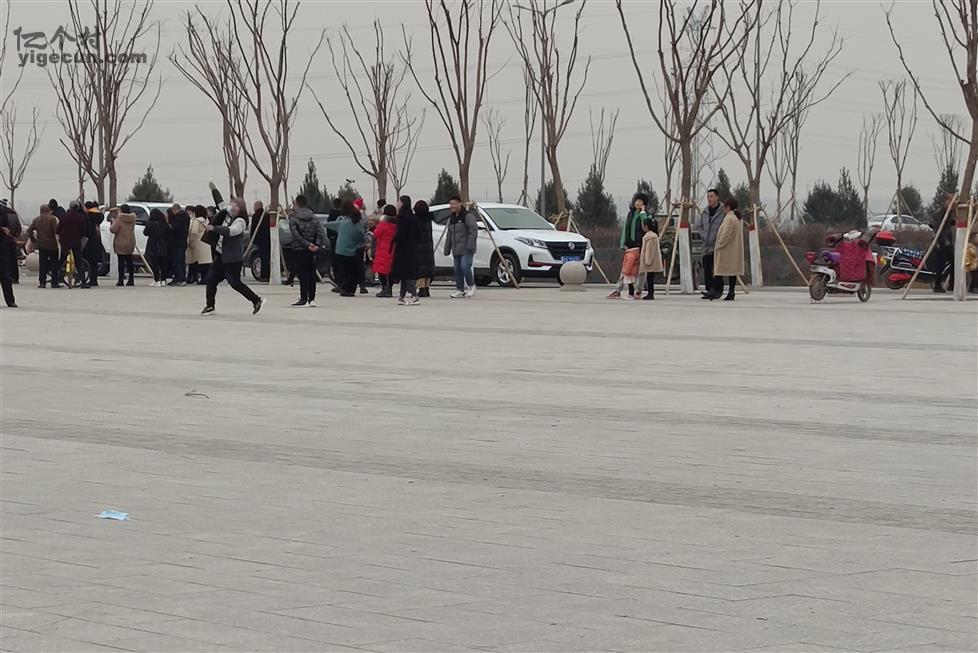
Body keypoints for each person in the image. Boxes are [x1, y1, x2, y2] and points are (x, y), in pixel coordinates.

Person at [201, 197, 265, 316]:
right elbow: (220, 204)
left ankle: (256, 300)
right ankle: (210, 305)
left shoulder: (241, 221)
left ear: (239, 208)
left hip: (232, 259)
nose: (230, 207)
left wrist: (214, 228)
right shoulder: (228, 216)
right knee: (211, 280)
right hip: (220, 257)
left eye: (233, 205)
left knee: (235, 283)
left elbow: (231, 231)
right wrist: (213, 190)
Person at [288, 194, 328, 307]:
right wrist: (316, 245)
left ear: (297, 204)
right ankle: (312, 298)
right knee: (311, 273)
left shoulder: (294, 218)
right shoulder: (314, 217)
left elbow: (296, 235)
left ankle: (303, 297)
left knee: (302, 274)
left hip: (299, 249)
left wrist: (306, 244)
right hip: (312, 250)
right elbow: (321, 233)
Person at [608, 194, 649, 299]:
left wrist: (643, 213)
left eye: (640, 201)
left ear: (644, 204)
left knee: (641, 271)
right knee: (626, 268)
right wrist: (623, 243)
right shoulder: (631, 214)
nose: (638, 203)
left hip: (642, 246)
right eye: (637, 201)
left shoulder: (647, 215)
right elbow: (625, 229)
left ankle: (638, 291)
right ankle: (618, 290)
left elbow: (646, 226)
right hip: (631, 246)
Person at [328, 199, 368, 297]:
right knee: (355, 270)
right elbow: (362, 238)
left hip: (340, 250)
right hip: (353, 251)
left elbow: (330, 225)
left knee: (343, 270)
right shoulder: (358, 227)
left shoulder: (342, 221)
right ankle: (352, 288)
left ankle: (342, 287)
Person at [709, 198, 745, 301]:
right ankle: (731, 292)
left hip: (726, 249)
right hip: (734, 249)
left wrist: (719, 244)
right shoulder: (738, 218)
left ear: (728, 207)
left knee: (719, 270)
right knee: (732, 272)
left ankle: (715, 290)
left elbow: (726, 234)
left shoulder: (729, 218)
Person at [443, 195, 478, 298]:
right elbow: (449, 234)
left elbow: (473, 230)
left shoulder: (467, 216)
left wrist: (470, 245)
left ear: (459, 204)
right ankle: (459, 289)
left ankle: (471, 286)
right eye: (450, 204)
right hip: (456, 249)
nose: (452, 206)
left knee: (465, 267)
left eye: (454, 204)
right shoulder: (452, 218)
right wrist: (447, 248)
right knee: (457, 269)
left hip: (466, 248)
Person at [696, 188, 724, 298]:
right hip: (706, 246)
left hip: (717, 245)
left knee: (718, 269)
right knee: (706, 268)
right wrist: (703, 235)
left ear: (717, 197)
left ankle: (718, 290)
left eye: (711, 196)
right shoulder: (705, 212)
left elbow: (724, 226)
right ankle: (709, 290)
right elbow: (699, 225)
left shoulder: (722, 212)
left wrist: (718, 236)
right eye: (708, 197)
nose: (709, 199)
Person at [393, 195, 420, 305]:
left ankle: (414, 296)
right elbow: (418, 234)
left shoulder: (401, 218)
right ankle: (401, 296)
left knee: (407, 274)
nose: (397, 204)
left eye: (399, 202)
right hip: (412, 248)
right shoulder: (413, 217)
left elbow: (400, 235)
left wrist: (395, 238)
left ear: (403, 203)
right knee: (404, 274)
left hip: (403, 249)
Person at [57, 200, 88, 288]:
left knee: (62, 260)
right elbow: (83, 232)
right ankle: (83, 282)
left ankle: (57, 278)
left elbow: (57, 229)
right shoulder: (81, 217)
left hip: (65, 242)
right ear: (77, 207)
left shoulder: (64, 216)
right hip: (76, 242)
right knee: (79, 261)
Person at [29, 204, 61, 288]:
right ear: (49, 210)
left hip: (42, 245)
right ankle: (54, 282)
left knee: (42, 264)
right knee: (54, 264)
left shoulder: (36, 220)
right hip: (53, 245)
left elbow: (29, 230)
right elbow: (56, 231)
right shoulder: (52, 219)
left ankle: (42, 282)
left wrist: (34, 241)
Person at [929, 192, 955, 293]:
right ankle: (937, 285)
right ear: (945, 201)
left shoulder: (949, 213)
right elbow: (938, 228)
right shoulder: (940, 213)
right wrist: (943, 240)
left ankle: (951, 284)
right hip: (940, 242)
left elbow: (949, 223)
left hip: (947, 241)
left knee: (953, 262)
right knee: (940, 263)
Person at [372, 205, 397, 297]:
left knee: (382, 271)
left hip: (383, 249)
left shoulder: (383, 224)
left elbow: (375, 234)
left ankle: (385, 289)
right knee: (390, 271)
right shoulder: (396, 225)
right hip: (393, 249)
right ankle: (389, 288)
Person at [635, 217, 663, 300]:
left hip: (650, 261)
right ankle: (650, 293)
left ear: (646, 226)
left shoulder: (649, 237)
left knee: (650, 278)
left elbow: (649, 250)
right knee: (650, 277)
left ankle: (650, 293)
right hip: (652, 260)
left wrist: (647, 261)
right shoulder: (653, 235)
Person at [108, 204, 136, 286]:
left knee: (121, 262)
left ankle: (121, 280)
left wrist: (113, 222)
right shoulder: (133, 217)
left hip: (121, 241)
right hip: (130, 240)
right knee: (129, 261)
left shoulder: (120, 218)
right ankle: (131, 279)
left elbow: (113, 229)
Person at [143, 208, 171, 287]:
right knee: (163, 264)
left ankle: (157, 280)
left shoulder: (150, 224)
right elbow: (169, 234)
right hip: (163, 246)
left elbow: (145, 233)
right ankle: (164, 280)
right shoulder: (165, 224)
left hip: (153, 246)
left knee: (155, 264)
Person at [414, 200, 436, 297]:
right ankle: (426, 288)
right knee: (427, 269)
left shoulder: (417, 219)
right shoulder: (428, 219)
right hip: (428, 246)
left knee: (420, 270)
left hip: (419, 247)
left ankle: (422, 289)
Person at [186, 205, 212, 285]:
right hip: (206, 243)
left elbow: (193, 232)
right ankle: (205, 278)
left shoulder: (196, 221)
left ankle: (193, 278)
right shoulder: (206, 221)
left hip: (197, 244)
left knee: (194, 262)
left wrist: (190, 242)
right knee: (205, 264)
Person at [81, 201, 104, 286]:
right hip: (97, 241)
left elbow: (86, 230)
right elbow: (101, 215)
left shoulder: (88, 217)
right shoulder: (98, 216)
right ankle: (94, 279)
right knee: (94, 262)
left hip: (89, 241)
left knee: (90, 262)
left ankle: (92, 280)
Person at [167, 203, 190, 285]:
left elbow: (175, 229)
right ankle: (182, 278)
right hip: (183, 241)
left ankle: (179, 278)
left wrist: (170, 226)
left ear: (174, 210)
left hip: (177, 242)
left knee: (176, 262)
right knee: (181, 261)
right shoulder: (186, 216)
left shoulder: (179, 217)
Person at [0, 200, 22, 284]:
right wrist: (16, 237)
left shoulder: (2, 215)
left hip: (4, 240)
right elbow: (19, 227)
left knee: (6, 259)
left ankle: (8, 276)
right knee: (13, 258)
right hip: (13, 240)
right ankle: (15, 277)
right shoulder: (14, 215)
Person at [250, 200, 270, 282]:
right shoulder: (267, 215)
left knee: (263, 258)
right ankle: (267, 274)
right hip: (268, 239)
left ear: (257, 206)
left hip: (260, 240)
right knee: (267, 257)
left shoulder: (256, 216)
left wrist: (253, 240)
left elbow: (253, 229)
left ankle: (264, 275)